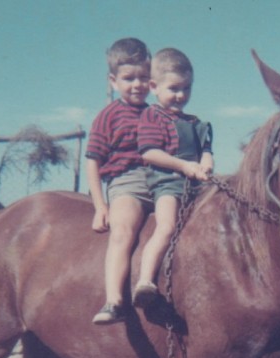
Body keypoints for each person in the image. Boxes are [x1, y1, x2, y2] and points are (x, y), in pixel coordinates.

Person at [132, 47, 213, 308]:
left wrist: (205, 165)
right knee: (166, 226)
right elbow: (149, 153)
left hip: (197, 187)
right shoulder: (152, 116)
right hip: (168, 184)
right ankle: (145, 280)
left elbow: (207, 151)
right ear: (155, 86)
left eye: (186, 89)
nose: (181, 95)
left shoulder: (196, 122)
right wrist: (183, 166)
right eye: (174, 89)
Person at [86, 38, 153, 324]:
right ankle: (113, 300)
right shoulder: (108, 115)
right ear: (113, 81)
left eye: (143, 78)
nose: (137, 84)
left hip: (160, 182)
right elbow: (93, 160)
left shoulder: (157, 114)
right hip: (127, 183)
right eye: (129, 78)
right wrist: (100, 205)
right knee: (123, 231)